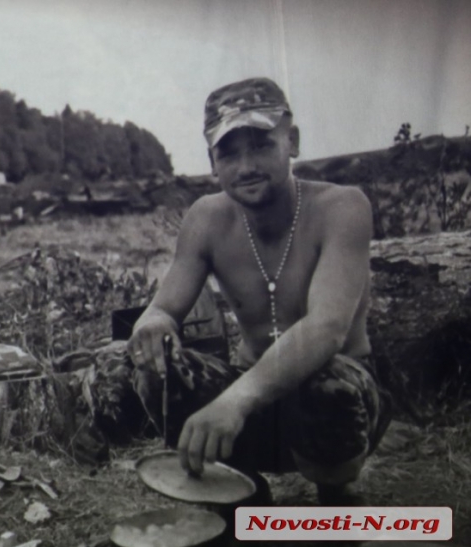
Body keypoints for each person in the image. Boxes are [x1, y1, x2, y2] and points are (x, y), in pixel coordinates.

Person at [127, 77, 391, 505]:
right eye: (228, 153)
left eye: (262, 145)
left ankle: (336, 492)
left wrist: (235, 401)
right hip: (251, 404)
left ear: (293, 142)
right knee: (152, 362)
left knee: (324, 378)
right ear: (212, 163)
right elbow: (163, 308)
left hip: (339, 407)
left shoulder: (342, 206)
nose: (246, 165)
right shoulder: (206, 217)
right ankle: (240, 491)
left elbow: (327, 328)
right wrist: (153, 325)